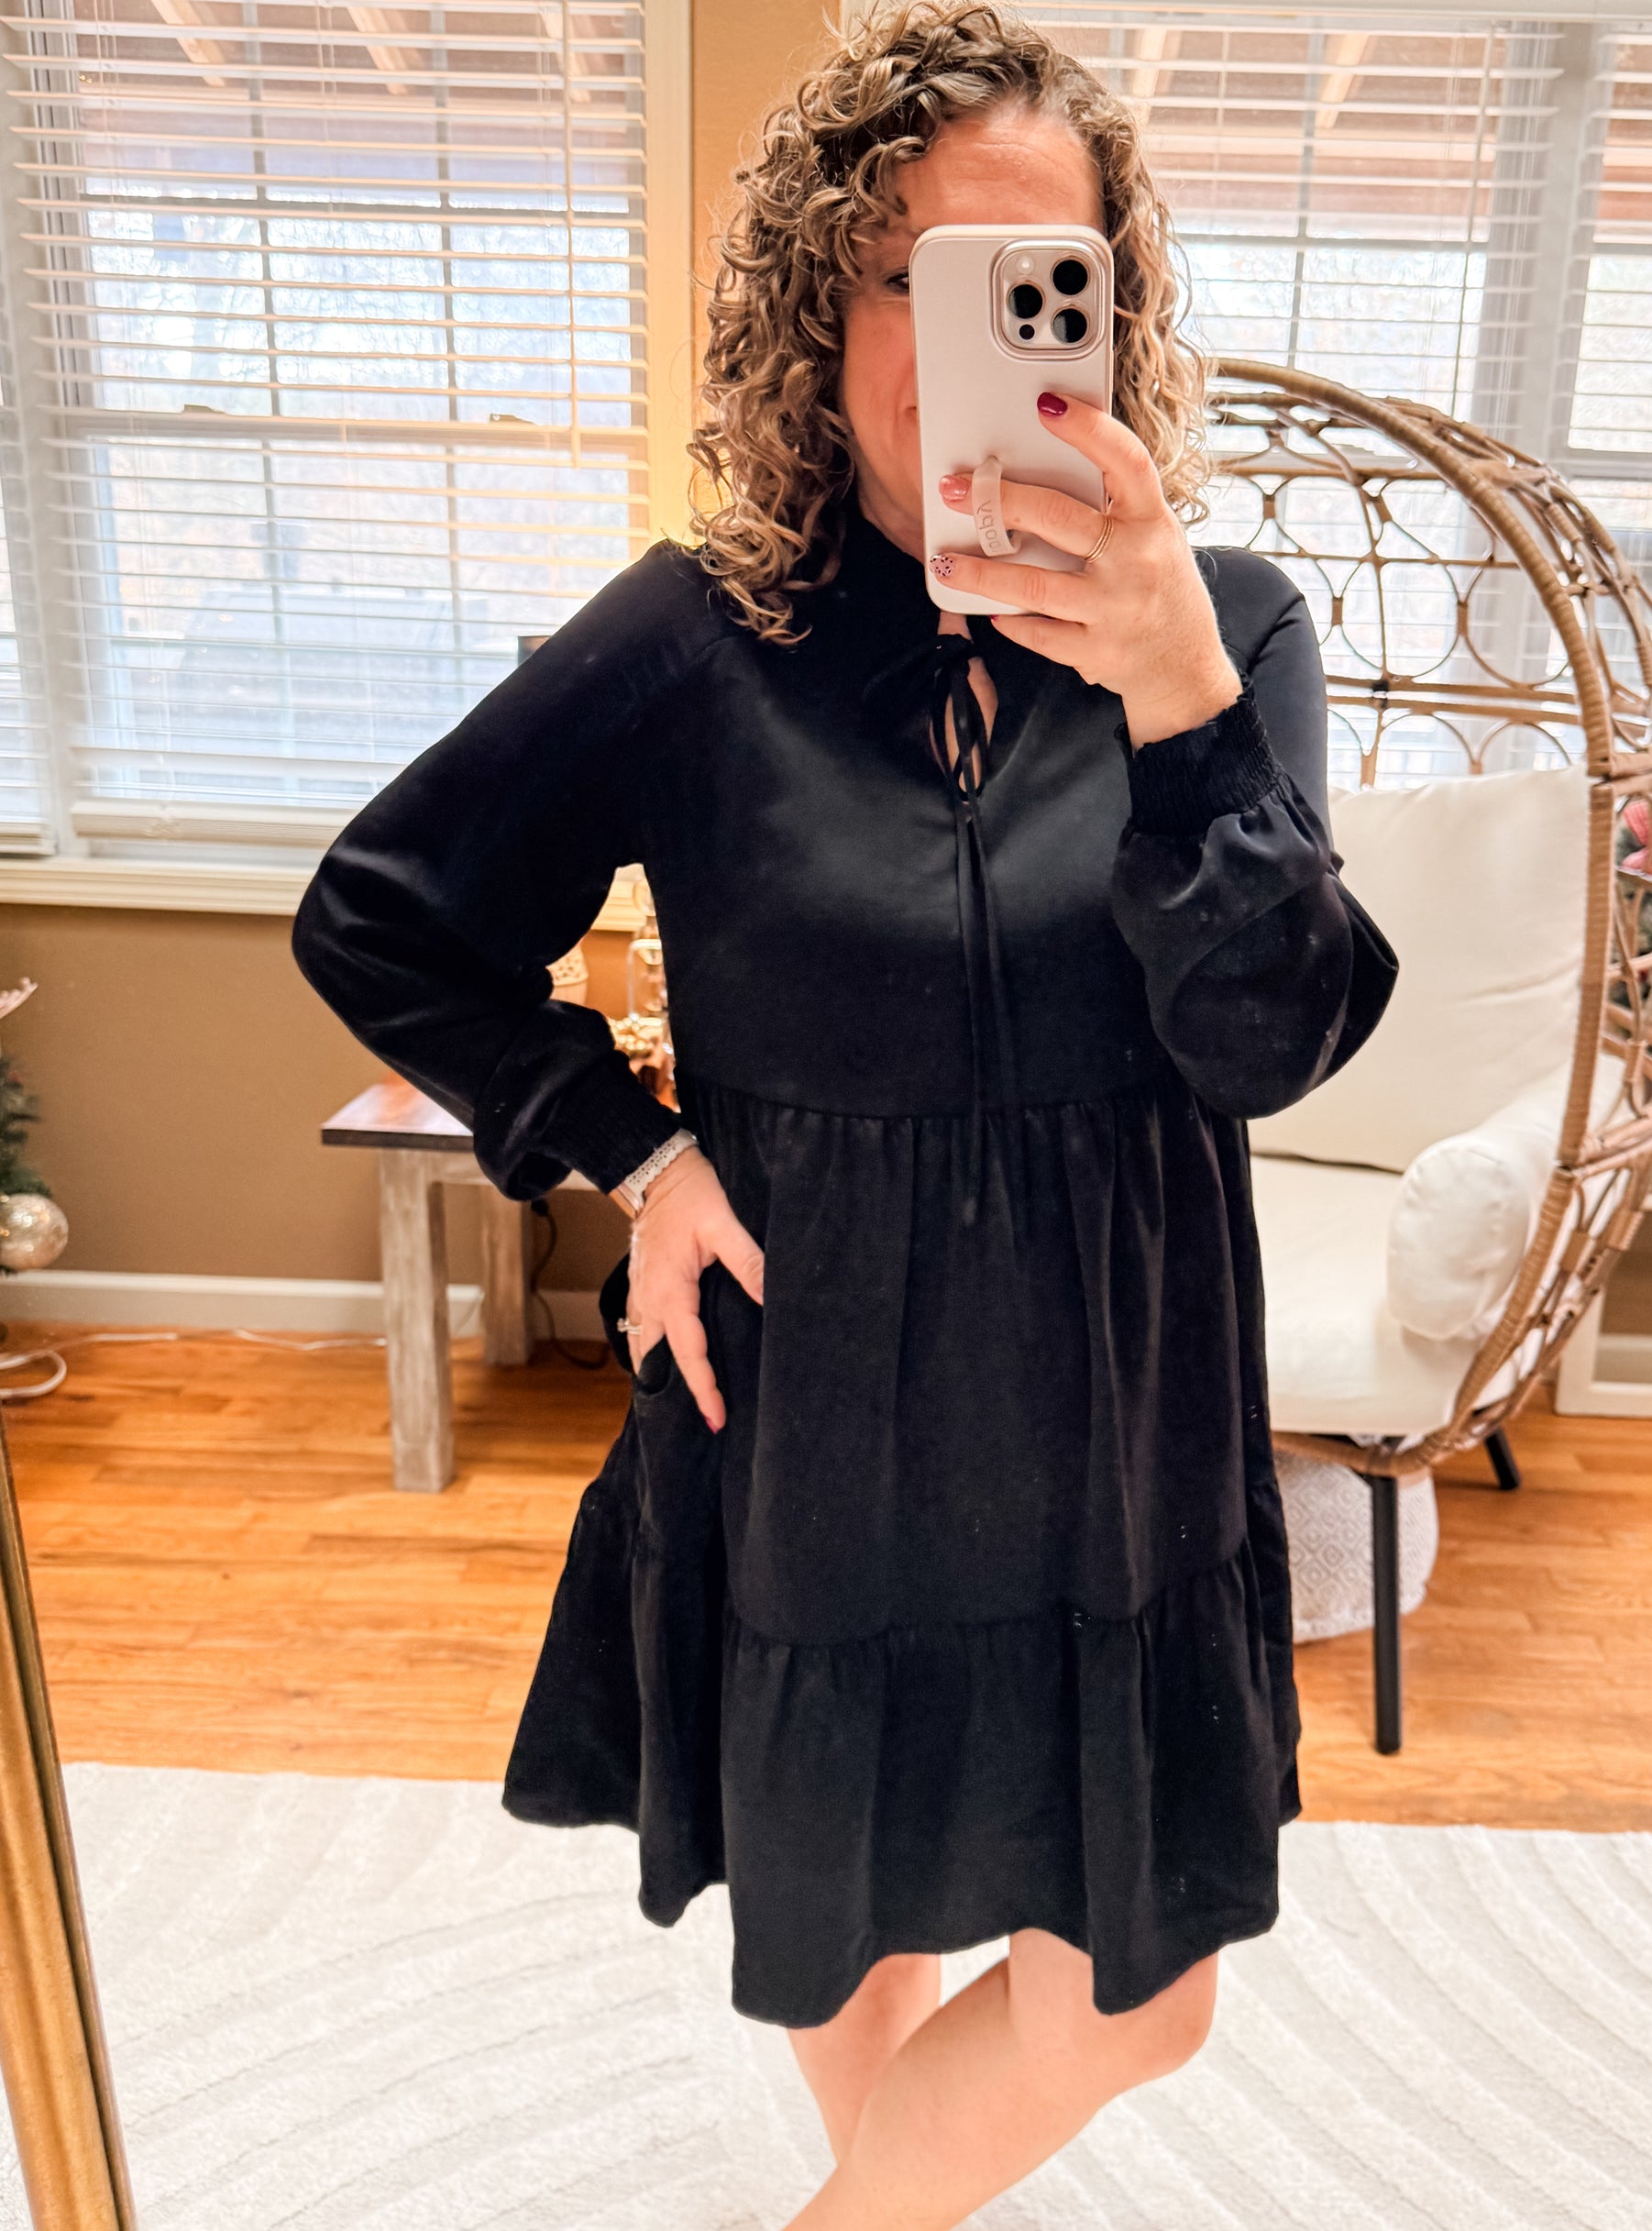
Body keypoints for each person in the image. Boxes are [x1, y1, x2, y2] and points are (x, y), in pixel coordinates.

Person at [291, 4, 1396, 2223]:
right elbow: (382, 916)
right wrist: (633, 1147)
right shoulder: (701, 636)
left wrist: (1174, 695)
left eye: (1043, 282)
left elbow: (1273, 1036)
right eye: (923, 273)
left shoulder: (1232, 623)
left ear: (1109, 308)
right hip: (811, 1396)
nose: (980, 335)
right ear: (828, 300)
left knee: (1136, 1987)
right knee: (854, 1913)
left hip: (1120, 1398)